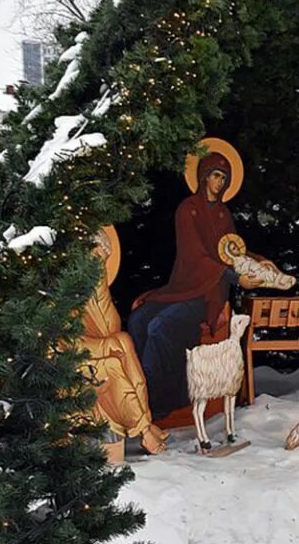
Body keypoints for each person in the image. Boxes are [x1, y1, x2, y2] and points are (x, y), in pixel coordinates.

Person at [128, 151, 267, 418]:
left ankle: (158, 404)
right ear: (204, 176)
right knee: (137, 320)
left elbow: (234, 251)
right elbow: (195, 256)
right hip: (183, 287)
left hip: (207, 294)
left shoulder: (223, 214)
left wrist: (260, 263)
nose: (220, 182)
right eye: (216, 175)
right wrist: (237, 278)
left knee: (159, 327)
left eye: (225, 178)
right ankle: (140, 394)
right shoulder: (187, 209)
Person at [78, 226, 168, 460]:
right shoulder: (62, 298)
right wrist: (106, 347)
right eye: (93, 261)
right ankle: (144, 431)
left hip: (94, 354)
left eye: (102, 262)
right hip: (66, 363)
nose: (99, 272)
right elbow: (64, 344)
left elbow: (110, 326)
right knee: (111, 366)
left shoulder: (95, 295)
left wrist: (99, 293)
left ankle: (145, 420)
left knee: (124, 341)